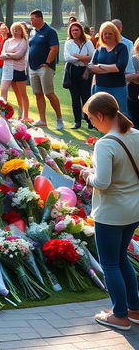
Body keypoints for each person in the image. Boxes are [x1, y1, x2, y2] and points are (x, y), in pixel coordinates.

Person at [79, 92, 139, 331]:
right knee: (121, 258)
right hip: (133, 209)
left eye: (92, 119)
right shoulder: (135, 134)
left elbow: (102, 182)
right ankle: (134, 308)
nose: (91, 124)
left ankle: (120, 314)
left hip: (112, 212)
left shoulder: (106, 143)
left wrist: (86, 175)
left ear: (102, 115)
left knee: (110, 263)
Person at [28, 9, 64, 130]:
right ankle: (42, 120)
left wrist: (48, 63)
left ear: (39, 18)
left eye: (32, 18)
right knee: (38, 93)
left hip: (45, 68)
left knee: (49, 93)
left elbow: (54, 48)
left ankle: (59, 119)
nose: (30, 21)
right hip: (33, 68)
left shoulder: (50, 31)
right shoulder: (32, 32)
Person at [89, 21, 129, 115]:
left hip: (118, 87)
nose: (107, 35)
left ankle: (120, 130)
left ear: (115, 34)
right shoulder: (99, 49)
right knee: (102, 114)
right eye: (104, 33)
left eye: (110, 33)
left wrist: (100, 66)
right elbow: (92, 67)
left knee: (121, 113)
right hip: (100, 87)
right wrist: (110, 68)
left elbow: (120, 68)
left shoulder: (121, 48)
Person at [63, 21, 95, 129]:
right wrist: (82, 57)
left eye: (77, 30)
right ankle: (77, 121)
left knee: (86, 96)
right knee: (75, 98)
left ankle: (90, 120)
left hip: (86, 71)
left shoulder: (88, 42)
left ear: (81, 31)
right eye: (72, 30)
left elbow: (92, 57)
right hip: (73, 71)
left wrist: (76, 56)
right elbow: (67, 58)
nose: (75, 32)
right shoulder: (68, 43)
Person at [0, 22, 30, 119]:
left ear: (22, 31)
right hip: (7, 69)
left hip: (19, 69)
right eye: (13, 30)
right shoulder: (8, 41)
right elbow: (1, 56)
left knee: (21, 93)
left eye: (17, 30)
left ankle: (24, 115)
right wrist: (11, 53)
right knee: (3, 90)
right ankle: (3, 114)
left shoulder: (23, 42)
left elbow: (19, 55)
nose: (15, 32)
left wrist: (8, 54)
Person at [111, 19, 137, 115]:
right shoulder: (103, 42)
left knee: (123, 106)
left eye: (116, 28)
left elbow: (129, 63)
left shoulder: (128, 43)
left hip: (124, 77)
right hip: (109, 78)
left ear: (120, 29)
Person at [128, 39, 139, 129]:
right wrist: (134, 77)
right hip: (133, 87)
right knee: (134, 109)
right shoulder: (133, 59)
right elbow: (127, 75)